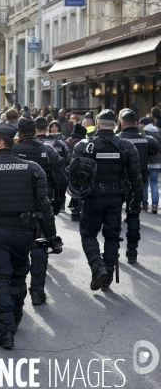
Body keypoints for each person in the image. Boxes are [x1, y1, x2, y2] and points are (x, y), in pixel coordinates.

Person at [0, 123, 59, 349]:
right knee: (18, 275)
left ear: (1, 142)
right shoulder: (33, 168)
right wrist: (51, 237)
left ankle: (6, 330)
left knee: (0, 278)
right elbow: (44, 206)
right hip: (25, 233)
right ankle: (14, 318)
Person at [71, 110, 142, 291]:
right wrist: (137, 200)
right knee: (112, 236)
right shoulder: (126, 147)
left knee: (88, 235)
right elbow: (136, 176)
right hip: (115, 198)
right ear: (115, 125)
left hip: (92, 198)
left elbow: (74, 174)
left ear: (98, 125)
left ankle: (98, 267)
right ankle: (107, 275)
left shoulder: (84, 146)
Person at [12, 117, 66, 306]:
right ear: (35, 131)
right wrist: (59, 201)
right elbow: (60, 177)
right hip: (42, 203)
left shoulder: (11, 150)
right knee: (40, 246)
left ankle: (16, 291)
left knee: (16, 249)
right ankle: (37, 292)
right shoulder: (47, 149)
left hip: (15, 205)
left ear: (19, 132)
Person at [117, 109, 159, 263]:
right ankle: (132, 252)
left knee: (115, 217)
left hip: (120, 183)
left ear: (122, 123)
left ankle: (112, 252)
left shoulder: (117, 139)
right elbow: (155, 151)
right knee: (134, 216)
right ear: (136, 123)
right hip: (139, 182)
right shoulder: (147, 139)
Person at [65, 123, 88, 221]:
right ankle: (77, 210)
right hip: (81, 169)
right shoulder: (84, 143)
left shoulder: (67, 141)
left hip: (69, 168)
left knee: (73, 187)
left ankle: (74, 208)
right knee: (81, 190)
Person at [140, 117, 161, 214]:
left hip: (146, 161)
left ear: (144, 124)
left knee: (144, 183)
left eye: (140, 124)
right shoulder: (159, 131)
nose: (139, 126)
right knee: (154, 183)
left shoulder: (143, 133)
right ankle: (155, 205)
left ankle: (144, 205)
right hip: (157, 161)